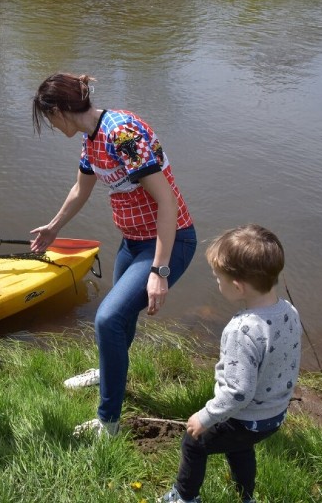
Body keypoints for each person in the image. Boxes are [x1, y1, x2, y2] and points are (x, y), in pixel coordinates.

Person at [30, 72, 197, 437]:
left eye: (48, 119)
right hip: (132, 241)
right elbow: (80, 189)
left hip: (169, 240)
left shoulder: (122, 134)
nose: (52, 127)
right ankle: (108, 373)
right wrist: (54, 227)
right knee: (120, 319)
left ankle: (109, 423)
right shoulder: (92, 141)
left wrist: (160, 271)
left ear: (59, 111)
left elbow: (166, 201)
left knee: (108, 319)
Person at [161, 225, 301, 503]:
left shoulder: (242, 329)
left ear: (237, 288)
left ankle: (184, 497)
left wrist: (205, 416)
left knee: (194, 442)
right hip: (273, 417)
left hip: (246, 419)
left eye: (218, 278)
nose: (217, 283)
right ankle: (246, 496)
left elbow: (238, 391)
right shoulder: (288, 311)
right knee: (239, 449)